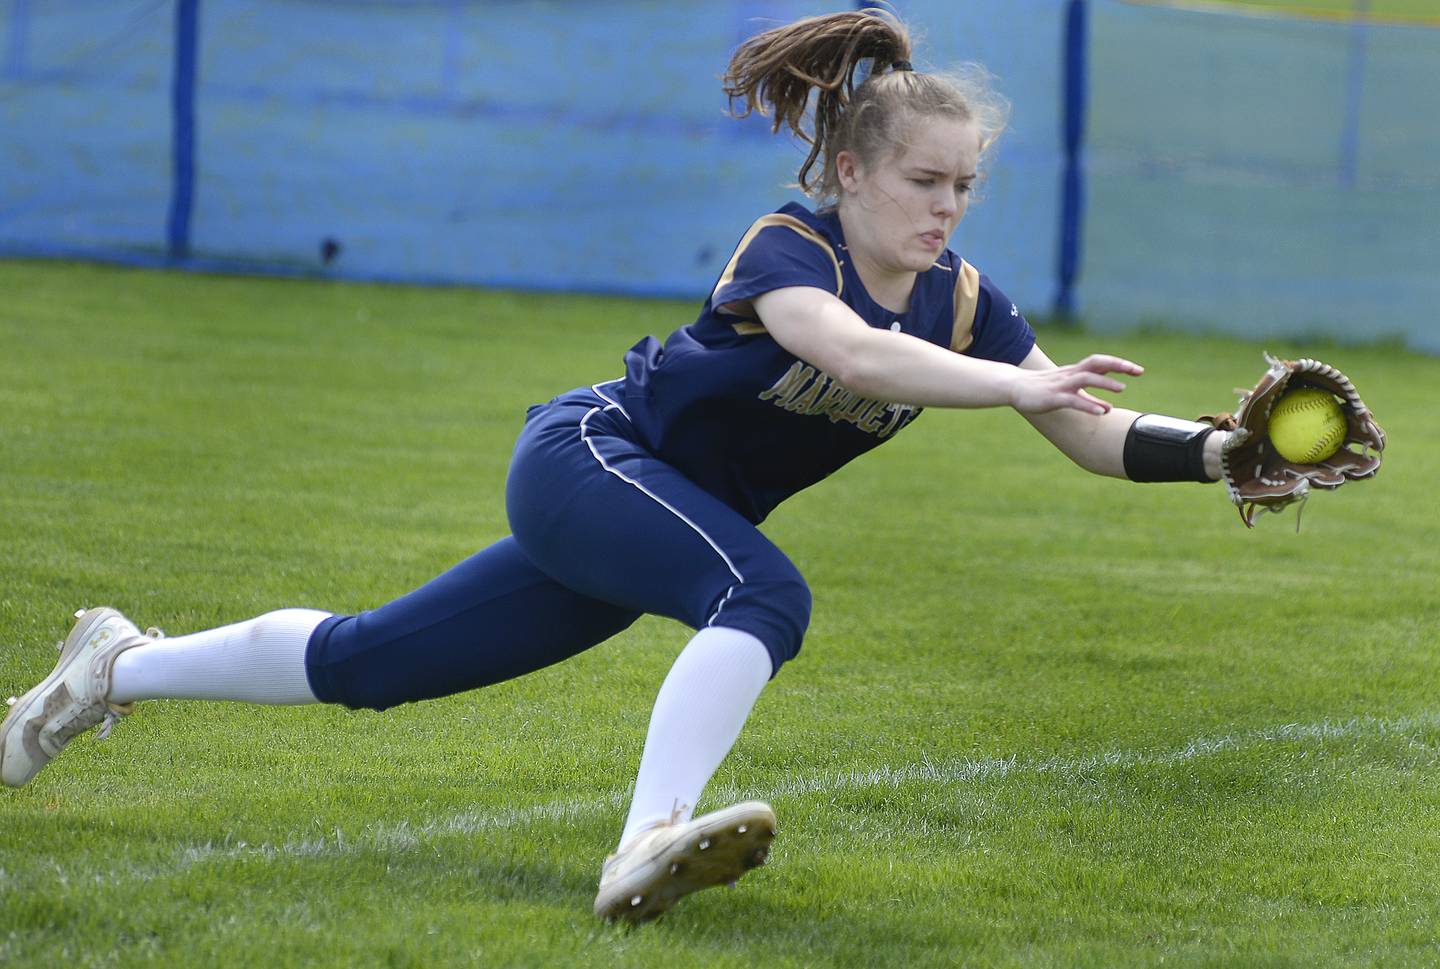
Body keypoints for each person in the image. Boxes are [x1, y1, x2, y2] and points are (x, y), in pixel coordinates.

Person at [0, 9, 1229, 923]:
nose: (948, 205)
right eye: (922, 179)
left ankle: (118, 664)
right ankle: (648, 841)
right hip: (594, 459)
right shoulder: (788, 246)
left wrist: (1227, 452)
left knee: (372, 663)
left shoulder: (966, 304)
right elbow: (851, 356)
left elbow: (1092, 436)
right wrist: (1015, 380)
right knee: (764, 596)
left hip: (655, 512)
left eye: (964, 184)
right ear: (849, 172)